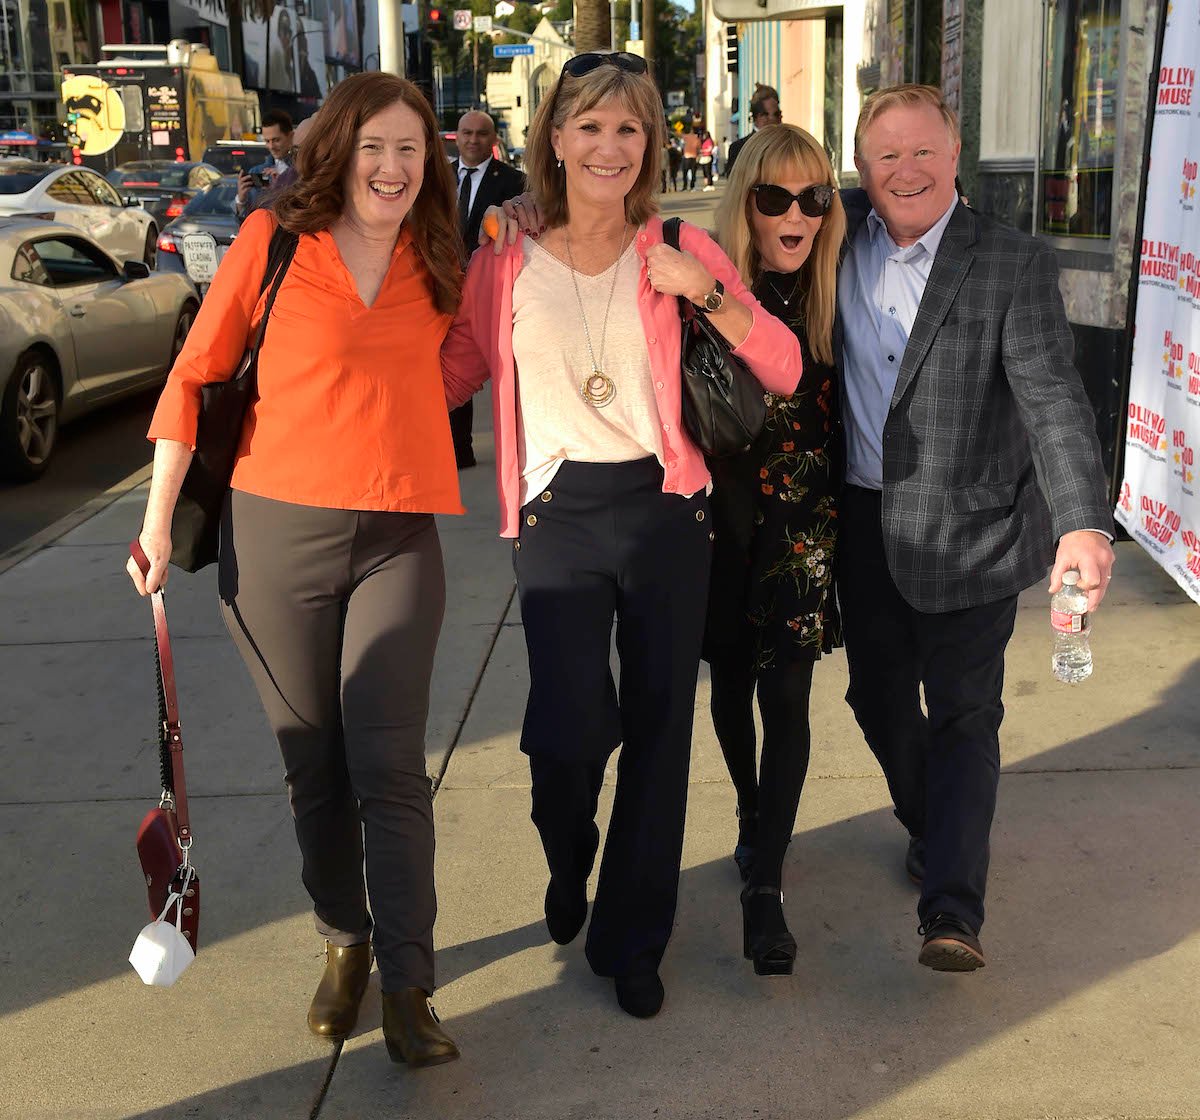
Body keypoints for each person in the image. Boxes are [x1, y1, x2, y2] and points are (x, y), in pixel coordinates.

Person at [442, 51, 803, 1019]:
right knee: (566, 735)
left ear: (648, 145)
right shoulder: (503, 255)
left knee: (659, 731)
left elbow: (784, 366)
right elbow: (452, 371)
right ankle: (571, 855)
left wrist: (707, 293)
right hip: (557, 517)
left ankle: (633, 935)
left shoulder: (679, 245)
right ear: (554, 138)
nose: (608, 145)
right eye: (589, 125)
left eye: (628, 128)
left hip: (664, 511)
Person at [125, 72, 466, 1067]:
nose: (393, 167)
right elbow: (195, 372)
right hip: (275, 535)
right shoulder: (275, 239)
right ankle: (344, 940)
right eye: (373, 147)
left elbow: (488, 338)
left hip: (401, 534)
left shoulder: (444, 252)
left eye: (411, 149)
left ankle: (409, 983)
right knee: (314, 768)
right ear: (338, 151)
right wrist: (153, 524)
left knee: (390, 765)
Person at [836, 84, 1114, 972]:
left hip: (975, 530)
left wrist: (1082, 524)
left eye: (924, 151)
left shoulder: (1010, 260)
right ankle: (932, 824)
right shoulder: (831, 232)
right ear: (861, 165)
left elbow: (1054, 400)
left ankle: (951, 909)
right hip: (864, 525)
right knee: (878, 702)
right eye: (887, 154)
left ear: (956, 156)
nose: (906, 170)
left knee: (965, 714)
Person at [707, 124, 846, 976]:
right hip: (720, 527)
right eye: (774, 197)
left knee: (787, 703)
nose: (795, 214)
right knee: (728, 684)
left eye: (815, 198)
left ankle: (767, 880)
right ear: (746, 203)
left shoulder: (843, 279)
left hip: (804, 531)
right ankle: (752, 814)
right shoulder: (708, 283)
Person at [450, 109, 526, 469]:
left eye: (481, 134)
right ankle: (456, 450)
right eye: (466, 132)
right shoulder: (439, 177)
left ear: (493, 139)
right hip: (446, 287)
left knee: (503, 366)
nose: (473, 140)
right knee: (455, 365)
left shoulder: (514, 181)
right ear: (457, 136)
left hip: (494, 289)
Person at [236, 110, 296, 222]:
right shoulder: (257, 171)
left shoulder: (302, 169)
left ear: (291, 136)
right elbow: (246, 221)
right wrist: (241, 200)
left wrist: (283, 185)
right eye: (267, 141)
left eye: (276, 140)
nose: (271, 146)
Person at [725, 85, 782, 177]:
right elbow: (735, 186)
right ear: (758, 116)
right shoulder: (739, 148)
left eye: (778, 114)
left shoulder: (789, 146)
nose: (778, 119)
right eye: (775, 114)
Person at [681, 125, 700, 190]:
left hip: (687, 156)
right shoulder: (697, 138)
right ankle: (692, 185)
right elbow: (698, 148)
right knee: (693, 172)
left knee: (685, 172)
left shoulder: (685, 137)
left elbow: (680, 136)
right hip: (694, 156)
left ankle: (685, 186)